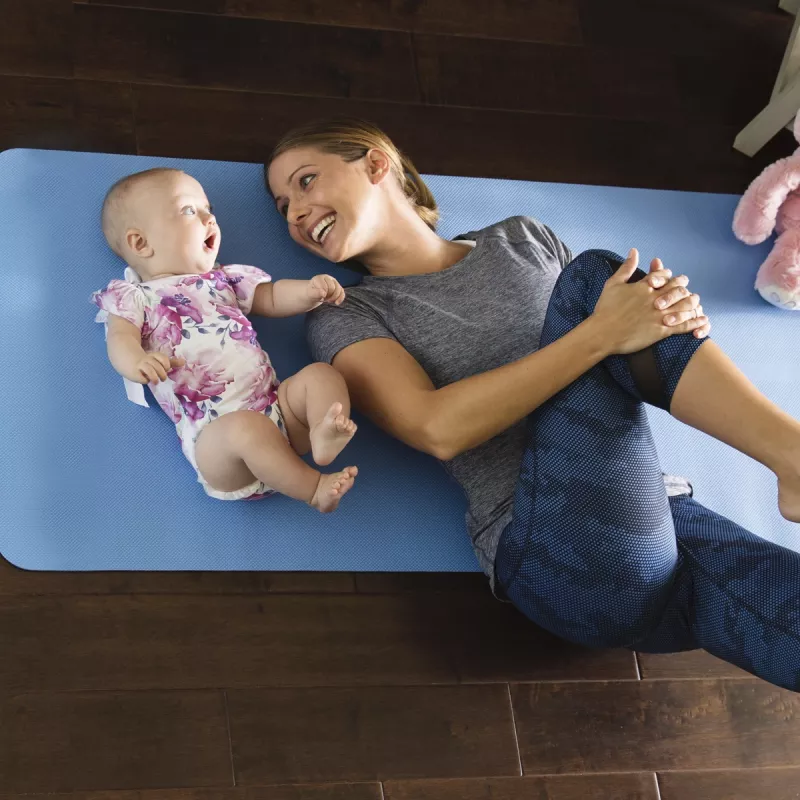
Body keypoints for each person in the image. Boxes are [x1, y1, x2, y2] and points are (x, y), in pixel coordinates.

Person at [266, 118, 800, 690]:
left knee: (602, 286)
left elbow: (628, 348)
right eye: (281, 208)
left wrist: (667, 315)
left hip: (661, 527)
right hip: (554, 556)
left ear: (376, 164)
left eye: (304, 182)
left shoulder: (523, 237)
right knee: (597, 281)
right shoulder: (346, 312)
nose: (295, 213)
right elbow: (435, 427)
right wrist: (602, 333)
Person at [92, 167, 358, 512]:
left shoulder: (222, 281)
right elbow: (120, 339)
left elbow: (272, 297)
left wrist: (309, 291)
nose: (209, 218)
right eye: (190, 210)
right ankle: (313, 489)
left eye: (210, 209)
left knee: (322, 374)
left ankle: (324, 433)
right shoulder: (135, 297)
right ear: (141, 243)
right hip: (221, 448)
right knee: (245, 429)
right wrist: (136, 363)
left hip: (280, 415)